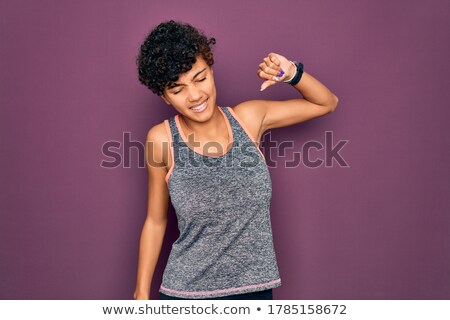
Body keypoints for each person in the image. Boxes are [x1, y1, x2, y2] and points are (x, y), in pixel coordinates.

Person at [133, 20, 338, 300]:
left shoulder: (249, 119)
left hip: (254, 292)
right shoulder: (161, 139)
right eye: (177, 89)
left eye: (200, 78)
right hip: (185, 293)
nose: (194, 95)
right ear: (165, 97)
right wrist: (140, 294)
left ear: (211, 68)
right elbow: (156, 221)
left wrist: (292, 73)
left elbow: (326, 103)